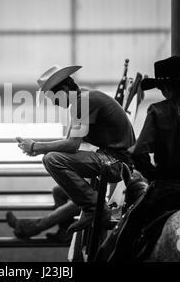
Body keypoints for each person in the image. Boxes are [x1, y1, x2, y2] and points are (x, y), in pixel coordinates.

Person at [102, 55, 180, 262]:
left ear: (167, 87)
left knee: (126, 233)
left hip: (167, 188)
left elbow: (138, 153)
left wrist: (155, 175)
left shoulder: (159, 111)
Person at [17, 65, 136, 234]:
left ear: (65, 88)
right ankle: (88, 210)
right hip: (116, 160)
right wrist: (37, 148)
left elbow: (72, 145)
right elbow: (69, 144)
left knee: (51, 159)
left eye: (54, 97)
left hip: (117, 163)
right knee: (54, 166)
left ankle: (94, 207)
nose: (54, 102)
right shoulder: (84, 99)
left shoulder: (83, 101)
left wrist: (36, 147)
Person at [6, 186, 80, 242]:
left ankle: (26, 227)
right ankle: (65, 232)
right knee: (58, 191)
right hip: (90, 189)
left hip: (91, 197)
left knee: (77, 202)